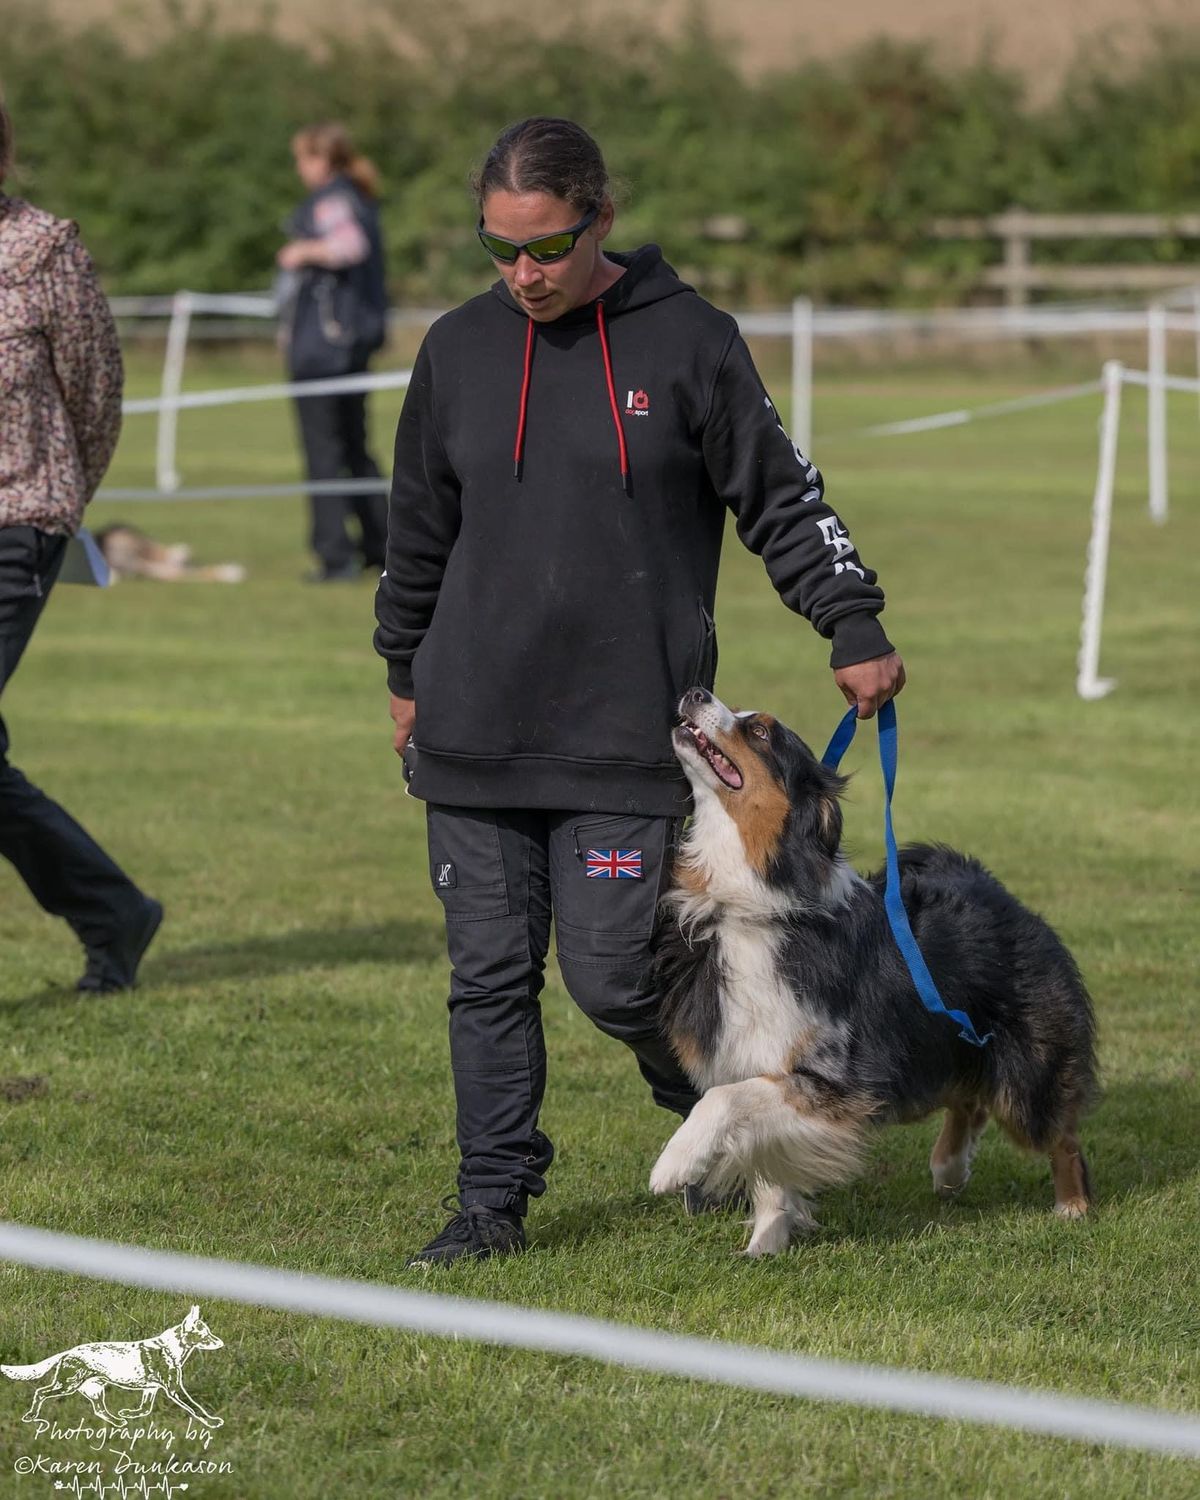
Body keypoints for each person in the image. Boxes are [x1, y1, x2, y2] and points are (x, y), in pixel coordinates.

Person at [374, 117, 906, 1265]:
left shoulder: (692, 343)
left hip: (631, 735)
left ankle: (707, 1111)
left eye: (548, 247)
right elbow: (416, 528)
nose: (524, 274)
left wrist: (850, 618)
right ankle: (491, 1205)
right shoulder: (455, 351)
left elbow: (780, 498)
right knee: (490, 977)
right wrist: (403, 669)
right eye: (499, 250)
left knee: (618, 979)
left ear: (601, 218)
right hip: (471, 726)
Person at [0, 101, 162, 993]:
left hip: (15, 520)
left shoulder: (41, 252)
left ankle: (113, 914)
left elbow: (96, 394)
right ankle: (114, 912)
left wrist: (53, 503)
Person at [277, 122, 389, 583]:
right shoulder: (357, 196)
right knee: (356, 448)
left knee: (323, 452)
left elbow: (348, 246)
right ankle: (379, 544)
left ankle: (334, 555)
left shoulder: (332, 201)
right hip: (352, 345)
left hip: (323, 351)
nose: (301, 169)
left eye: (304, 159)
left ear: (322, 160)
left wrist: (300, 252)